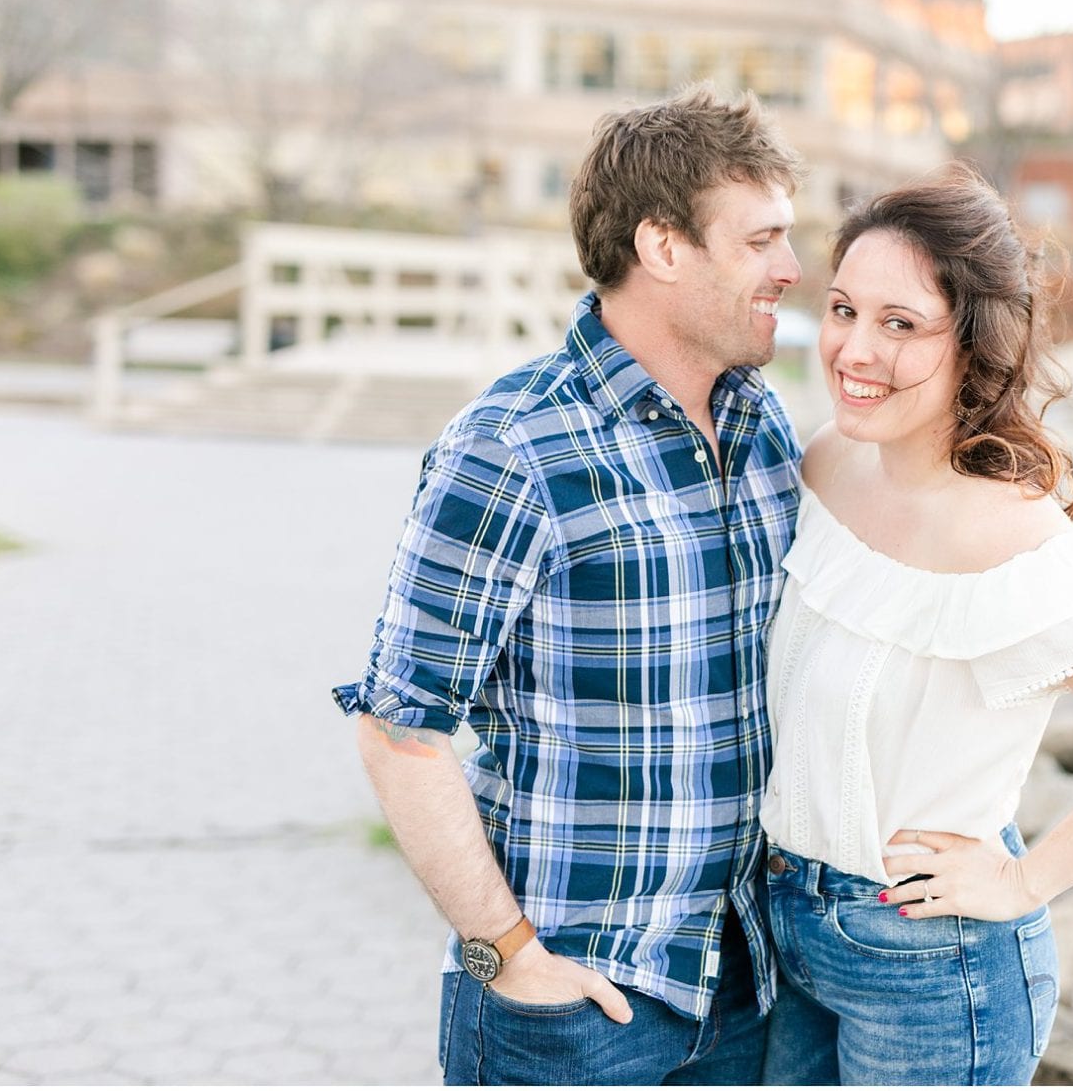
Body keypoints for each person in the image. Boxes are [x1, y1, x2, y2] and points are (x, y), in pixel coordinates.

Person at [331, 85, 806, 1086]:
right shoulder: (512, 449)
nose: (792, 271)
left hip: (743, 987)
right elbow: (399, 727)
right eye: (761, 241)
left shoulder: (766, 430)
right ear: (665, 247)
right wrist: (506, 955)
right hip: (575, 1011)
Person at [757, 167, 1073, 1086]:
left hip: (932, 968)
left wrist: (1023, 882)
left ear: (974, 346)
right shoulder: (827, 462)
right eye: (845, 310)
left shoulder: (1016, 536)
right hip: (787, 926)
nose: (855, 349)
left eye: (901, 324)